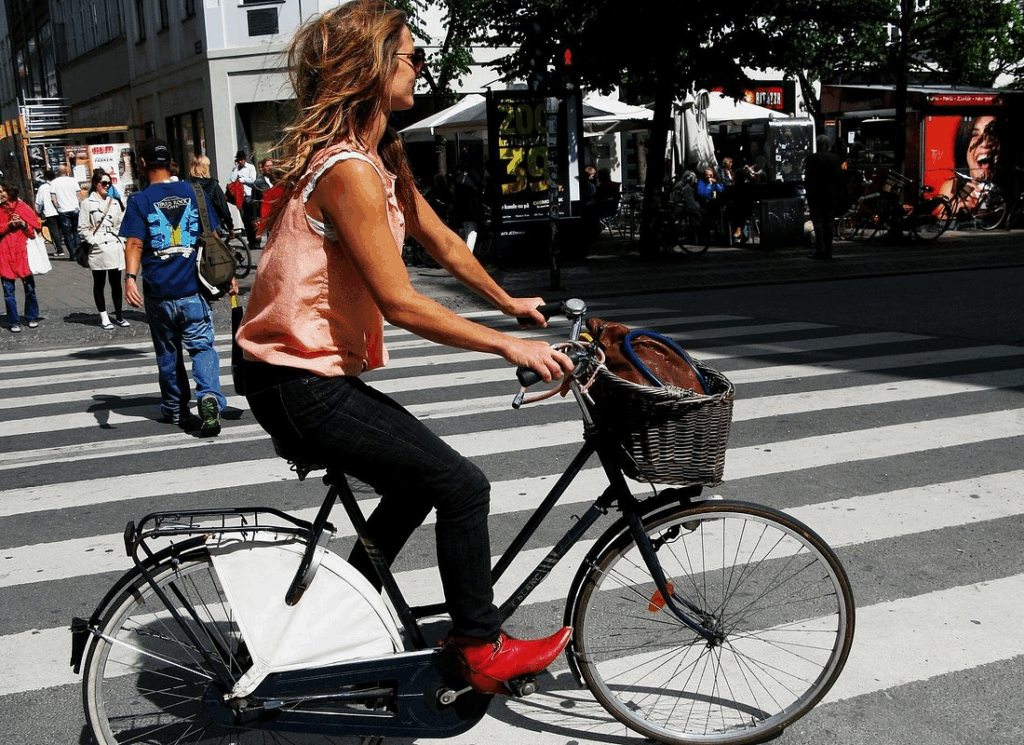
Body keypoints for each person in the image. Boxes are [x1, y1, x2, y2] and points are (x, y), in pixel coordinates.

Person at [236, 0, 574, 695]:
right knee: (459, 483)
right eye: (410, 54)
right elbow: (401, 301)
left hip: (299, 370)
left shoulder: (379, 156)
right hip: (294, 377)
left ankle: (338, 611)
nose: (420, 64)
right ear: (371, 67)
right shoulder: (348, 172)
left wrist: (507, 300)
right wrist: (506, 345)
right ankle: (476, 647)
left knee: (418, 482)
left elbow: (442, 240)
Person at [120, 138, 237, 435]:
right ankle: (209, 395)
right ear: (171, 161)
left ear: (142, 163)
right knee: (202, 348)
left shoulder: (139, 200)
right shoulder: (193, 191)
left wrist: (130, 278)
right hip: (192, 290)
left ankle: (175, 407)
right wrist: (228, 275)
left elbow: (134, 242)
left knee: (168, 352)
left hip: (160, 292)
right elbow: (211, 237)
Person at [78, 169, 130, 329]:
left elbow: (121, 223)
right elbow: (81, 227)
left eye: (109, 183)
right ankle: (104, 316)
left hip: (114, 246)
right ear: (96, 184)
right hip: (98, 247)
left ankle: (119, 315)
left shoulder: (114, 202)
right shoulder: (87, 204)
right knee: (99, 283)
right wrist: (93, 240)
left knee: (116, 284)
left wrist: (121, 240)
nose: (107, 186)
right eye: (104, 183)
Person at [939, 114, 1002, 214]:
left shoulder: (1013, 187)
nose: (985, 143)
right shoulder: (953, 188)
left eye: (992, 134)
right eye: (974, 135)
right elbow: (939, 221)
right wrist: (955, 212)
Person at [1, 182, 42, 332]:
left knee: (29, 288)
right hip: (5, 253)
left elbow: (33, 231)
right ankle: (14, 321)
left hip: (23, 254)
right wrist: (9, 225)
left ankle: (31, 316)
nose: (0, 194)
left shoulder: (23, 208)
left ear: (10, 192)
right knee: (8, 291)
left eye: (2, 191)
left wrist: (23, 224)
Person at [804, 135, 844, 260]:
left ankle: (820, 249)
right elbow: (839, 179)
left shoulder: (811, 158)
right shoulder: (835, 159)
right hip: (830, 194)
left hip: (815, 195)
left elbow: (808, 178)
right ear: (827, 145)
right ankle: (829, 250)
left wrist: (809, 191)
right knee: (829, 222)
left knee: (818, 223)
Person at [188, 154, 235, 236]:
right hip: (212, 224)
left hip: (193, 224)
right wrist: (230, 226)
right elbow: (223, 206)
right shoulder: (213, 184)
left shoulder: (187, 184)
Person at [229, 150, 258, 249]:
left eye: (242, 159)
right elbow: (232, 180)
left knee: (251, 219)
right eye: (239, 160)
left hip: (249, 195)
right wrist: (236, 169)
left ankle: (255, 240)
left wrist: (242, 179)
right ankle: (250, 240)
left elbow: (253, 179)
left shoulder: (250, 167)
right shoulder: (236, 169)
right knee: (244, 219)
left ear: (244, 159)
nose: (241, 162)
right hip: (240, 197)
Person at [51, 164, 83, 256]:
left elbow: (53, 198)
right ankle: (79, 251)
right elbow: (79, 195)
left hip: (63, 210)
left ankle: (73, 254)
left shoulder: (54, 182)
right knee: (76, 230)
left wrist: (57, 207)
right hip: (75, 208)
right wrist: (79, 205)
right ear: (67, 171)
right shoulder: (73, 181)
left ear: (58, 172)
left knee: (67, 233)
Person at [35, 170, 66, 258]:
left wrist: (38, 211)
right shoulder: (58, 185)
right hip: (61, 210)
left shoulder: (43, 187)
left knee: (54, 231)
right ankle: (63, 246)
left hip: (49, 212)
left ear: (45, 177)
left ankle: (59, 249)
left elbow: (39, 201)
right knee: (60, 229)